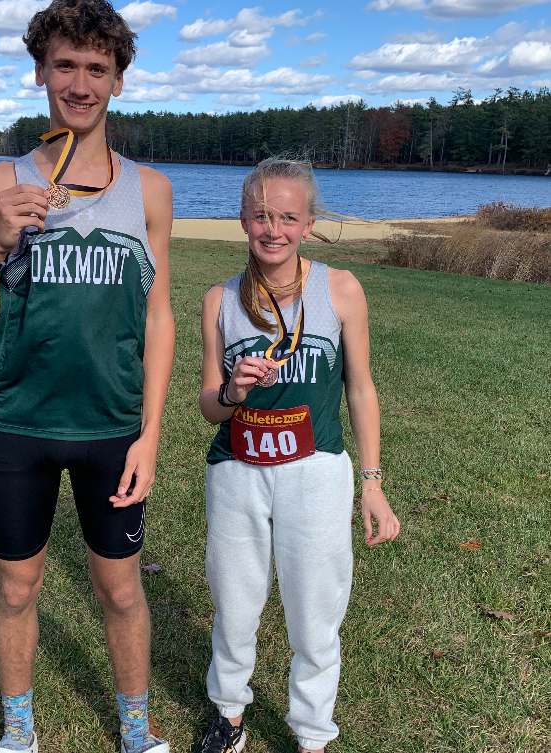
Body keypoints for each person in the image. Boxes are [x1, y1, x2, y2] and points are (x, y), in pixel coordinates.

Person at [0, 2, 175, 751]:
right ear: (41, 71)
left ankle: (136, 734)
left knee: (118, 588)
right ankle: (19, 733)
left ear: (118, 81)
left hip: (112, 428)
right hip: (18, 424)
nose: (79, 83)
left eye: (96, 69)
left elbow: (159, 317)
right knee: (16, 586)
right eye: (65, 65)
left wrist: (149, 435)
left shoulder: (148, 191)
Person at [195, 159, 400, 753]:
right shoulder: (219, 301)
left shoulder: (339, 289)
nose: (273, 229)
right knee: (234, 606)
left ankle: (312, 734)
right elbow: (210, 406)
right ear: (242, 220)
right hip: (238, 472)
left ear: (309, 224)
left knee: (316, 613)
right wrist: (234, 389)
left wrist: (372, 481)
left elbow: (360, 388)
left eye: (287, 216)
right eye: (261, 215)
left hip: (316, 471)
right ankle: (229, 715)